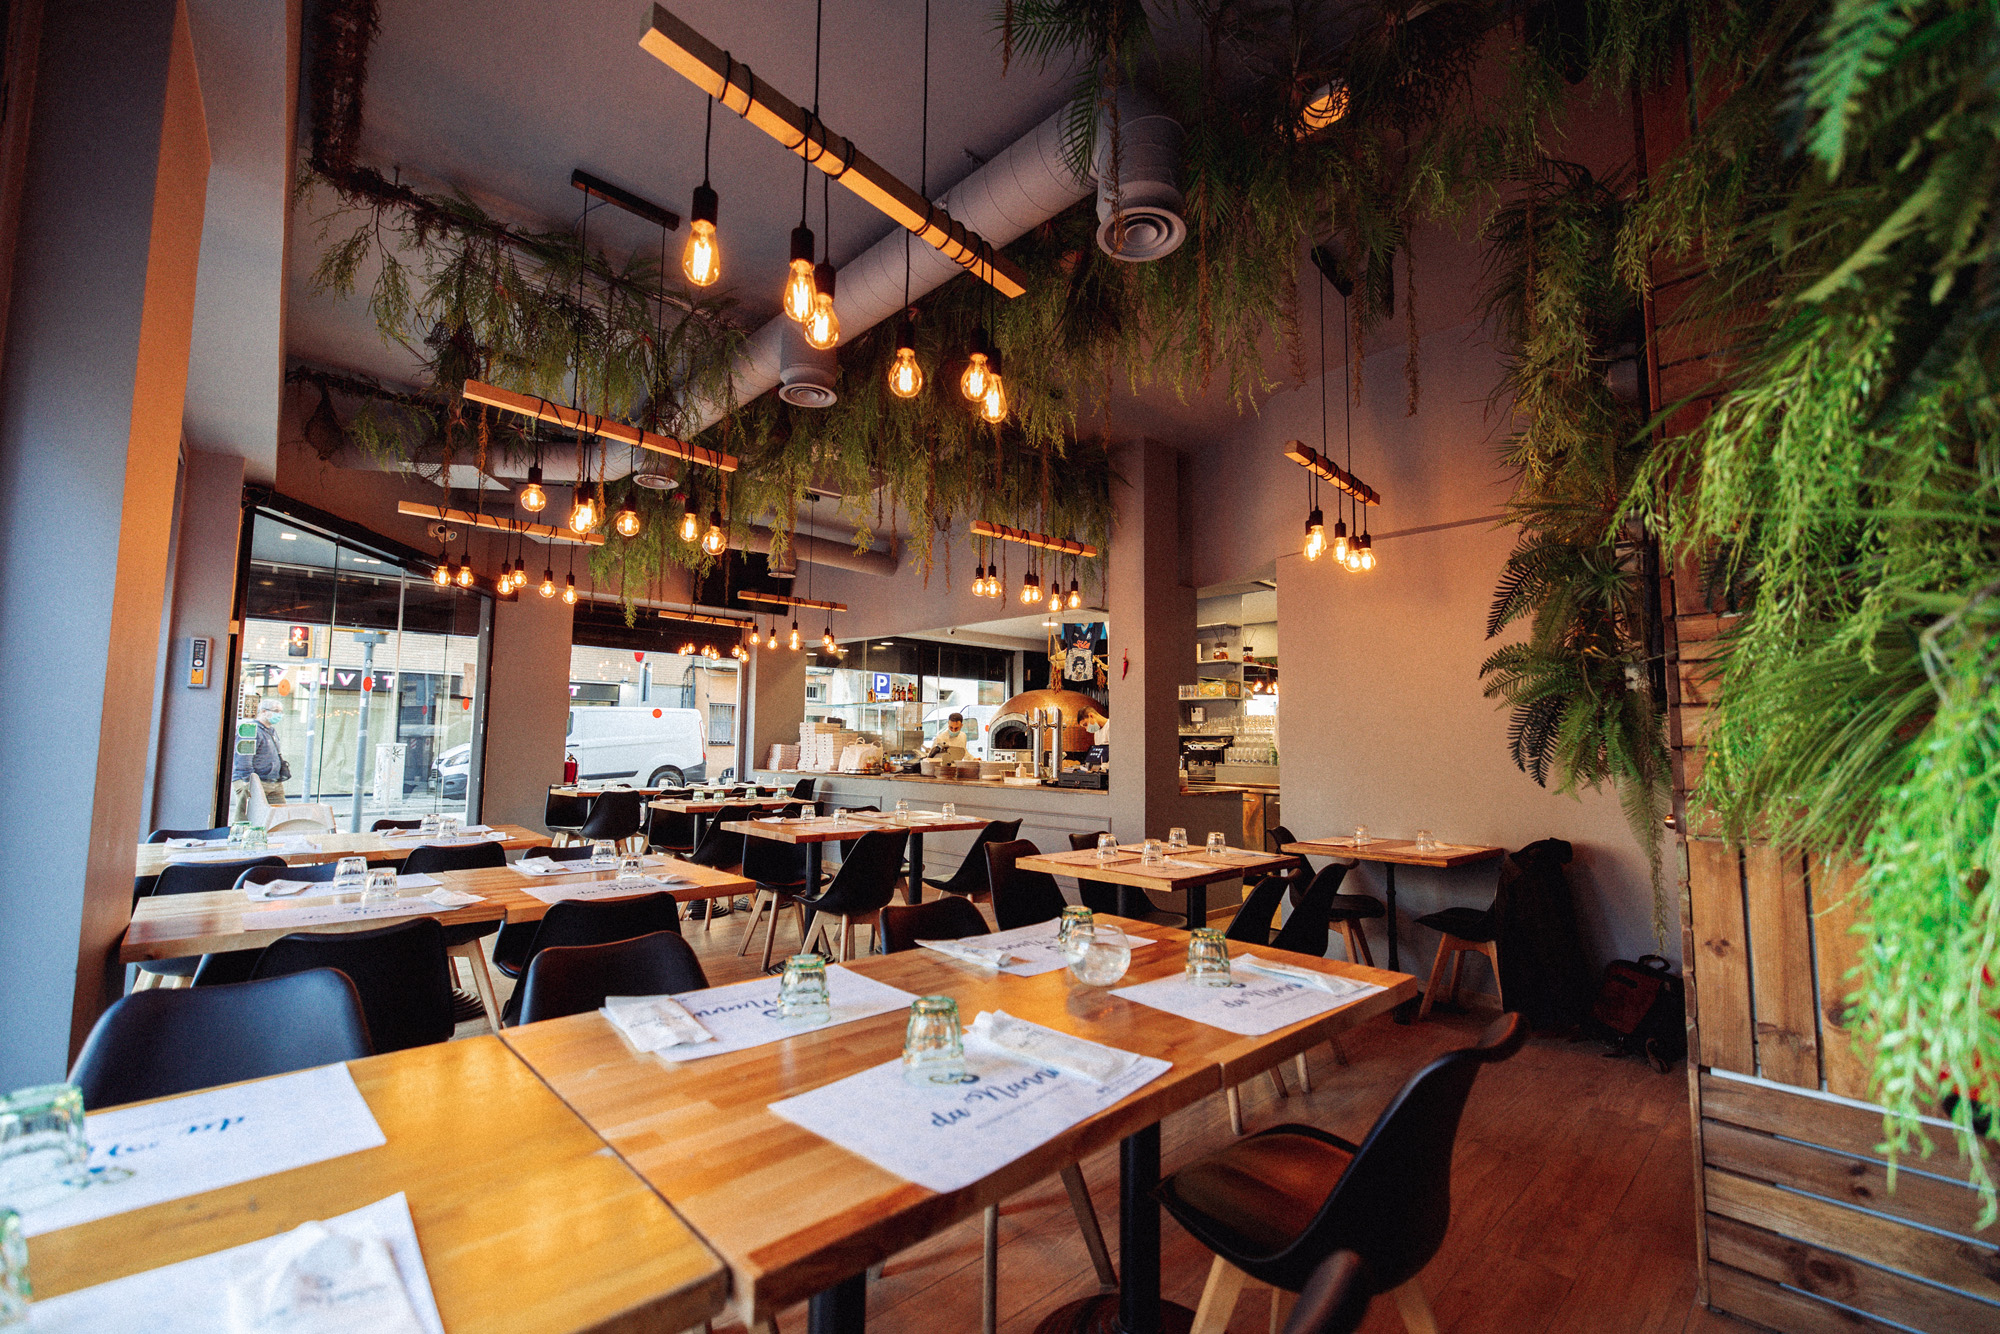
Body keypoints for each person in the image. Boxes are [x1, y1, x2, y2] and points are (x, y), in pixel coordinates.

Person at [231, 695, 288, 823]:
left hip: (273, 782)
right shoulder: (250, 730)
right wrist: (250, 782)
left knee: (279, 818)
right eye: (276, 711)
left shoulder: (271, 731)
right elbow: (243, 759)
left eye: (281, 711)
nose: (280, 714)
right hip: (255, 781)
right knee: (248, 820)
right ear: (263, 711)